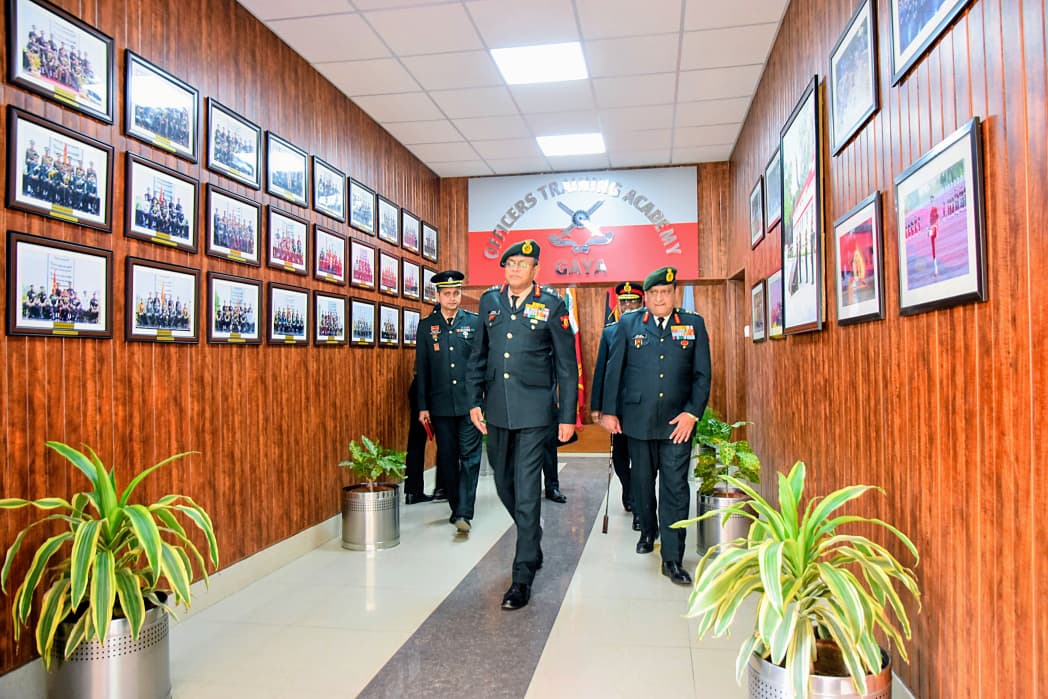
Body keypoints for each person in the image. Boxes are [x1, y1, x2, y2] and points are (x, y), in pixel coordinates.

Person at [467, 240, 577, 610]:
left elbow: (566, 366)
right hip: (497, 409)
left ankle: (522, 574)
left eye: (522, 263)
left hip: (535, 412)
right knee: (502, 482)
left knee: (528, 489)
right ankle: (532, 533)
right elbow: (478, 355)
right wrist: (474, 401)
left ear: (536, 270)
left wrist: (567, 416)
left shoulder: (552, 305)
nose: (515, 269)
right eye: (510, 263)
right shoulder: (490, 302)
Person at [600, 267, 711, 586]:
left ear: (675, 294)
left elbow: (702, 374)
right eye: (654, 293)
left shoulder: (693, 324)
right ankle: (648, 531)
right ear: (646, 297)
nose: (660, 298)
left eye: (666, 292)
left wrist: (692, 413)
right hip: (638, 420)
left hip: (678, 423)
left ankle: (673, 559)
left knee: (675, 488)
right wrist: (609, 411)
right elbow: (614, 370)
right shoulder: (628, 323)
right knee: (643, 483)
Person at [415, 270, 482, 532]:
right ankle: (457, 506)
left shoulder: (474, 322)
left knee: (471, 457)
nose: (452, 298)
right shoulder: (426, 326)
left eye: (456, 293)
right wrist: (423, 406)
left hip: (470, 404)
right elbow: (422, 369)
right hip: (440, 405)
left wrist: (482, 398)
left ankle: (464, 512)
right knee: (448, 459)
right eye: (447, 294)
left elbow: (482, 362)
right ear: (438, 295)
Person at [590, 281, 645, 530]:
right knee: (620, 456)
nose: (628, 306)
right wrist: (597, 406)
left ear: (642, 302)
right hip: (618, 407)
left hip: (642, 407)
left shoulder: (649, 329)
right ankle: (629, 489)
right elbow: (601, 371)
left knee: (641, 458)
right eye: (624, 303)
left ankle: (639, 505)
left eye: (633, 301)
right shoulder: (610, 332)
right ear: (618, 305)